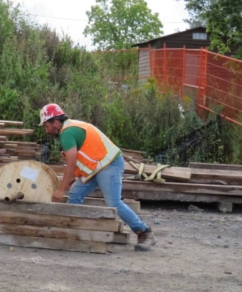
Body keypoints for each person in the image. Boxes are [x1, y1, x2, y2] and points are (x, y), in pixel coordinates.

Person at [39, 104, 156, 251]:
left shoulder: (67, 133)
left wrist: (61, 189)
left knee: (114, 203)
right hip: (97, 168)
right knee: (75, 194)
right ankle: (73, 230)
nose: (46, 130)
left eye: (46, 125)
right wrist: (74, 177)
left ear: (55, 122)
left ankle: (145, 232)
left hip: (109, 165)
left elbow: (71, 162)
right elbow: (84, 157)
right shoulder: (71, 129)